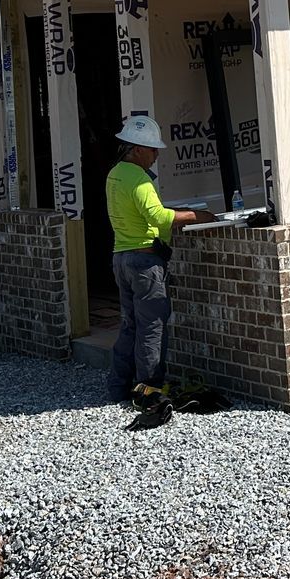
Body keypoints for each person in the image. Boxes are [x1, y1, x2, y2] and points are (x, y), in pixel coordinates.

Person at [104, 114, 213, 405]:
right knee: (152, 327)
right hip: (144, 264)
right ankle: (150, 390)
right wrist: (197, 216)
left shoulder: (115, 174)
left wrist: (180, 210)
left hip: (122, 260)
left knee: (130, 325)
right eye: (153, 149)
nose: (156, 155)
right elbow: (158, 216)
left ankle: (119, 388)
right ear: (137, 148)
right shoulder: (137, 177)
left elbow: (143, 212)